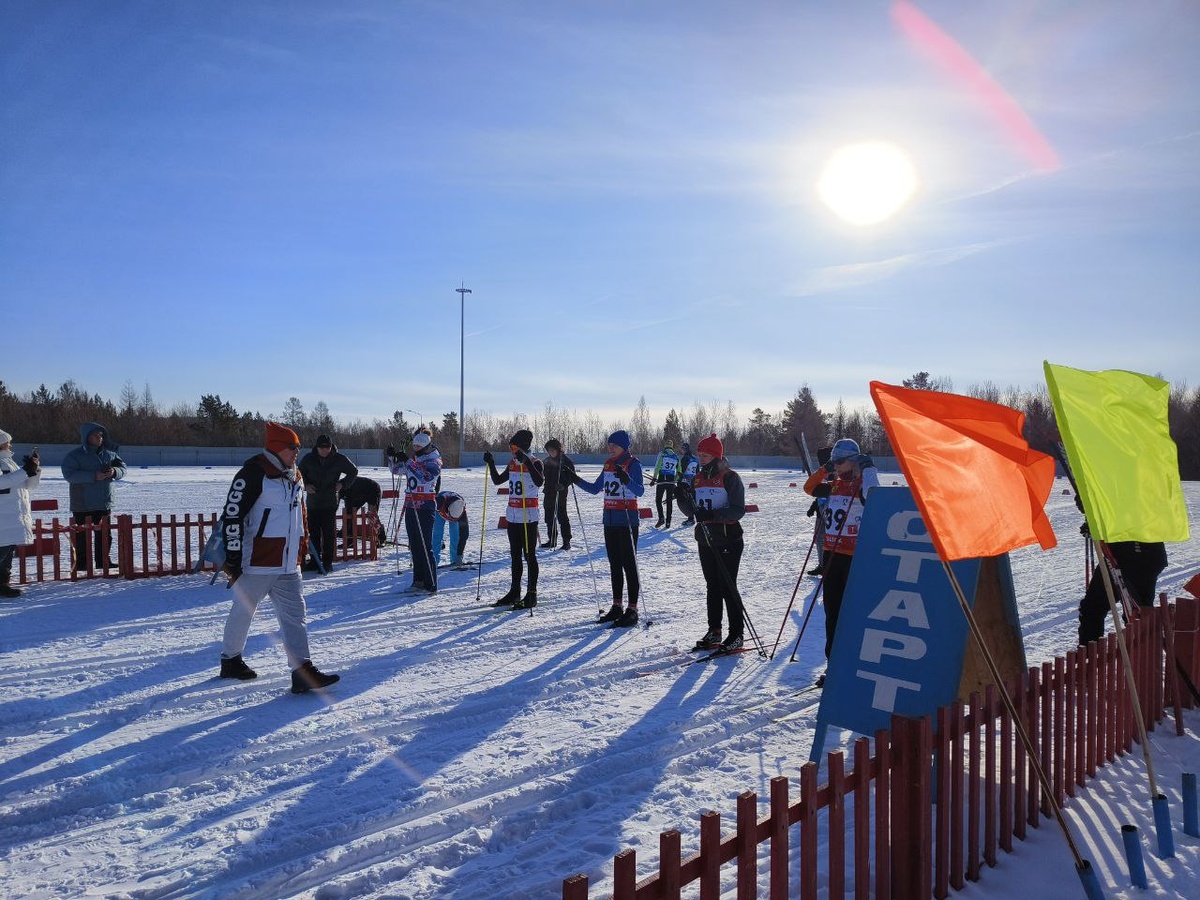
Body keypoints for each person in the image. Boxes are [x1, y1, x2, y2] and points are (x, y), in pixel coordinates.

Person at [218, 422, 340, 694]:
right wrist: (234, 558)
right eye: (292, 447)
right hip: (257, 560)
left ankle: (302, 672)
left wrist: (303, 546)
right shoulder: (251, 474)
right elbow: (233, 517)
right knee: (244, 611)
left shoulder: (295, 474)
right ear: (277, 448)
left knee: (296, 615)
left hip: (288, 563)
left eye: (298, 447)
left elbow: (300, 515)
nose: (297, 452)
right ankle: (231, 660)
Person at [803, 438, 880, 670]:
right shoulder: (834, 484)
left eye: (840, 461)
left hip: (855, 557)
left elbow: (873, 495)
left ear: (853, 460)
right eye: (833, 461)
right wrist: (824, 468)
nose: (836, 465)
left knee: (853, 612)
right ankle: (833, 664)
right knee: (832, 612)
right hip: (831, 554)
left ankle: (856, 661)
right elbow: (809, 488)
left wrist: (869, 469)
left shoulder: (862, 484)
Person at [675, 433, 747, 652]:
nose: (701, 457)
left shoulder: (729, 477)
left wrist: (712, 514)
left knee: (727, 587)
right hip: (705, 538)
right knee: (712, 587)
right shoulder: (698, 478)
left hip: (727, 537)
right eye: (699, 454)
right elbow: (692, 511)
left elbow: (738, 509)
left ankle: (737, 634)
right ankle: (714, 631)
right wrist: (681, 497)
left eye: (706, 454)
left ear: (716, 455)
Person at [568, 430, 645, 627]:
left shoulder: (632, 463)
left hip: (627, 520)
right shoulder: (608, 464)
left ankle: (633, 609)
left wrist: (626, 478)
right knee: (614, 565)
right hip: (609, 520)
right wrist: (574, 479)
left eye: (614, 445)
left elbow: (640, 490)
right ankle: (617, 606)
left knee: (629, 565)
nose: (610, 448)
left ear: (624, 446)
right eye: (609, 445)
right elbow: (596, 489)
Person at [484, 429, 544, 609]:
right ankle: (514, 591)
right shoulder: (512, 463)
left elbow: (540, 481)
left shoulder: (535, 462)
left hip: (529, 515)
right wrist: (491, 464)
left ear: (524, 447)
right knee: (515, 555)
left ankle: (531, 594)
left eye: (514, 446)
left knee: (529, 555)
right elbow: (497, 480)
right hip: (513, 515)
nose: (511, 450)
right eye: (510, 446)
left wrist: (527, 462)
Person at [61, 422, 126, 572]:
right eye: (96, 435)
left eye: (101, 435)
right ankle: (82, 563)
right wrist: (93, 476)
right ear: (86, 437)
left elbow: (123, 468)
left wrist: (114, 472)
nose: (99, 438)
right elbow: (69, 475)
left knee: (104, 534)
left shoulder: (110, 454)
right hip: (82, 502)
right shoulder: (74, 456)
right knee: (81, 536)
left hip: (103, 501)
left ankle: (103, 561)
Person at [1078, 538, 1168, 645]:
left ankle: (1141, 656)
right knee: (1093, 608)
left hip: (1138, 554)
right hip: (1117, 554)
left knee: (1136, 614)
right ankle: (1090, 655)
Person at [388, 430, 442, 594]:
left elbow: (425, 476)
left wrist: (409, 462)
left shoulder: (435, 461)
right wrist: (392, 458)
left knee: (425, 546)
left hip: (425, 506)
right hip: (411, 505)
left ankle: (430, 583)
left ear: (426, 446)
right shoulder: (415, 459)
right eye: (414, 446)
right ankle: (418, 581)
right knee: (415, 545)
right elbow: (396, 470)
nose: (416, 449)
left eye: (419, 447)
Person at [298, 434, 358, 574]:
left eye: (328, 447)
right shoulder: (308, 459)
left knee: (329, 533)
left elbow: (353, 471)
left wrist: (342, 484)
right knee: (313, 533)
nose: (325, 450)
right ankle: (314, 561)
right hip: (313, 503)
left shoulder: (338, 458)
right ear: (317, 447)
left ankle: (327, 562)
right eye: (322, 447)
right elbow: (298, 475)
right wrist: (306, 485)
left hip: (330, 502)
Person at [0, 430, 41, 599]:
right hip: (3, 517)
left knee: (7, 553)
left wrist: (34, 469)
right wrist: (25, 471)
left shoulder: (9, 462)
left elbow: (28, 486)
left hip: (12, 516)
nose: (10, 444)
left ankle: (3, 584)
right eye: (7, 441)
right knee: (2, 552)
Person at [540, 438, 575, 550]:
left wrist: (564, 484)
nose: (551, 452)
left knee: (562, 517)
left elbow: (572, 477)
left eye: (552, 450)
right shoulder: (546, 461)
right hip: (548, 493)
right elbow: (541, 474)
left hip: (560, 493)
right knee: (549, 518)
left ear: (558, 449)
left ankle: (566, 541)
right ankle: (552, 539)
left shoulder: (565, 461)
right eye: (549, 450)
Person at [341, 475, 386, 545]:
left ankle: (380, 537)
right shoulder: (340, 488)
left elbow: (343, 503)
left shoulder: (344, 487)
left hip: (373, 489)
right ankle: (350, 541)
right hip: (358, 493)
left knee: (372, 515)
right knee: (349, 514)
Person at [433, 490, 470, 567]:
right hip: (439, 512)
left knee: (456, 536)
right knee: (436, 535)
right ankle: (433, 561)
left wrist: (459, 555)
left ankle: (455, 559)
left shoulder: (461, 511)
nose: (452, 520)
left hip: (454, 510)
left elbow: (464, 535)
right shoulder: (439, 502)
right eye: (451, 518)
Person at [650, 440, 680, 529]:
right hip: (671, 480)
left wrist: (654, 479)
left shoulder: (662, 454)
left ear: (665, 446)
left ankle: (661, 518)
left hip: (662, 479)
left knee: (658, 500)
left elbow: (657, 467)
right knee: (669, 501)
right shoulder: (676, 457)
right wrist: (676, 479)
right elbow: (679, 471)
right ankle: (668, 522)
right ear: (672, 447)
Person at [676, 441, 698, 526]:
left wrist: (679, 479)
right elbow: (697, 471)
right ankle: (693, 517)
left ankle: (691, 518)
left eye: (683, 449)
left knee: (686, 501)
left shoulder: (685, 458)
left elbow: (681, 470)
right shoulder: (695, 458)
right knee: (693, 499)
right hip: (693, 481)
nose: (682, 451)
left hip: (685, 481)